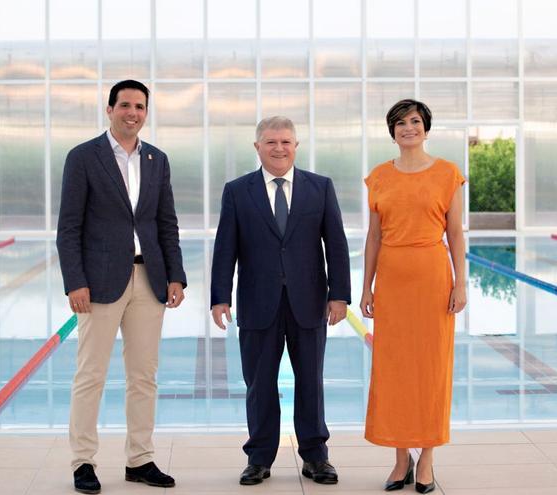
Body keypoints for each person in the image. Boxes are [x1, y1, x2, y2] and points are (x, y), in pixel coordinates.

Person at [57, 79, 187, 494]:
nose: (133, 113)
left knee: (144, 376)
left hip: (148, 280)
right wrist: (75, 281)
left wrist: (175, 275)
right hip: (98, 282)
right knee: (91, 374)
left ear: (146, 113)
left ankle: (140, 459)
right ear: (110, 109)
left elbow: (166, 222)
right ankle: (83, 462)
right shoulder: (83, 157)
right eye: (126, 105)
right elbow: (69, 227)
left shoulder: (156, 159)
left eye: (140, 107)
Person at [210, 116, 351, 487]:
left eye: (286, 142)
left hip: (309, 302)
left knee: (311, 381)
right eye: (271, 142)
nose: (279, 148)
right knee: (259, 384)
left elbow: (336, 244)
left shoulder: (320, 188)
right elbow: (225, 247)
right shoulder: (238, 191)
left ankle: (316, 457)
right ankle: (259, 458)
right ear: (257, 147)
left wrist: (339, 295)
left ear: (296, 146)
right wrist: (219, 297)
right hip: (258, 303)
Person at [359, 99, 466, 494]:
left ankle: (429, 458)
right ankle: (400, 456)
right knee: (395, 370)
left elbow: (455, 234)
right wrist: (366, 286)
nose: (408, 128)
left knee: (432, 370)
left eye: (415, 121)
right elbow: (374, 236)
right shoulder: (379, 177)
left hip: (433, 281)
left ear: (426, 128)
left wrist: (462, 283)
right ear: (392, 131)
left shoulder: (447, 174)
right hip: (392, 283)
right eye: (400, 123)